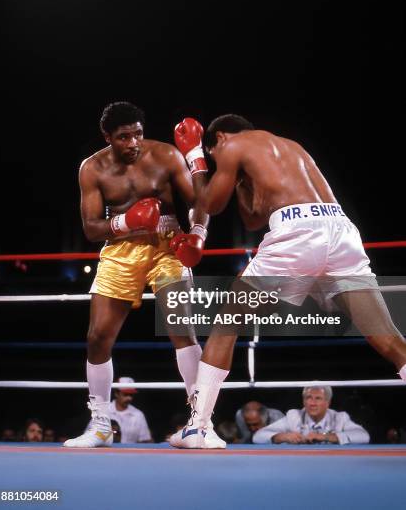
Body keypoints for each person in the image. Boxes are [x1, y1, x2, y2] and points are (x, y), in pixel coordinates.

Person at [169, 114, 406, 448]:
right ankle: (199, 427)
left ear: (220, 138)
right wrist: (236, 180)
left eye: (214, 154)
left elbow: (210, 203)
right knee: (388, 338)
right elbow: (253, 218)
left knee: (226, 323)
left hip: (299, 234)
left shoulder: (232, 145)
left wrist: (196, 158)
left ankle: (198, 427)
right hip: (341, 232)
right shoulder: (290, 147)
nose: (218, 161)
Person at [64, 102, 224, 448]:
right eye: (124, 137)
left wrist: (198, 233)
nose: (134, 142)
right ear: (108, 137)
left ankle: (201, 424)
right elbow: (91, 229)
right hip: (121, 248)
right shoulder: (92, 168)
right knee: (98, 336)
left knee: (182, 330)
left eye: (137, 132)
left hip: (167, 244)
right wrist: (127, 221)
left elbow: (202, 200)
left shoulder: (165, 155)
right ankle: (101, 425)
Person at [252, 385, 369, 444]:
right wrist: (281, 436)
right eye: (309, 398)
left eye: (318, 398)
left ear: (327, 403)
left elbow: (363, 436)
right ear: (303, 401)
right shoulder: (294, 416)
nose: (312, 403)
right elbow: (258, 436)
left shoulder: (339, 418)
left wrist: (327, 437)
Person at [105, 377, 152, 443]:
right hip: (107, 452)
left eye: (131, 395)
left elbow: (146, 441)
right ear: (116, 393)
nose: (129, 398)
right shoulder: (104, 411)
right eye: (126, 394)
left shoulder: (138, 414)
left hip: (131, 452)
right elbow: (91, 435)